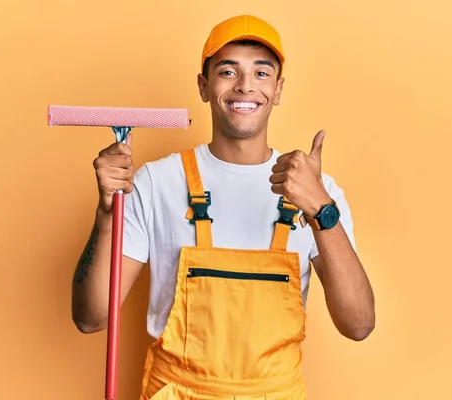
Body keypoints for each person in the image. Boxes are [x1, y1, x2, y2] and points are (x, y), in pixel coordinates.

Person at [71, 14, 375, 399]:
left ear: (278, 90)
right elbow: (90, 317)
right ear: (204, 85)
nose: (246, 85)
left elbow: (359, 325)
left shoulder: (318, 191)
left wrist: (321, 211)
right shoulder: (154, 183)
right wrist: (106, 214)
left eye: (262, 73)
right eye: (228, 71)